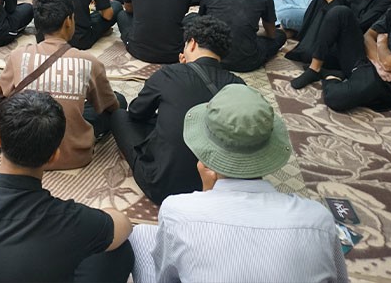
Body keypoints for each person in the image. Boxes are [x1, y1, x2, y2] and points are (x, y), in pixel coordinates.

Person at [130, 84, 348, 283]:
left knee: (139, 235)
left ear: (205, 155)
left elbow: (167, 277)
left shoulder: (176, 211)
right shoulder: (318, 220)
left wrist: (206, 196)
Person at [0, 91, 134, 283]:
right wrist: (102, 214)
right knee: (117, 250)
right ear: (54, 155)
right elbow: (123, 226)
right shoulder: (71, 220)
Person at [111, 16, 243, 204]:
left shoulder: (168, 74)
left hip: (163, 186)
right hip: (216, 185)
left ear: (192, 43)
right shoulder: (238, 85)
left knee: (119, 116)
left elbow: (136, 113)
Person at [0, 0, 123, 169]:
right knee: (117, 100)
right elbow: (111, 106)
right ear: (68, 21)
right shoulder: (89, 62)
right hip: (74, 156)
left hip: (24, 152)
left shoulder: (18, 56)